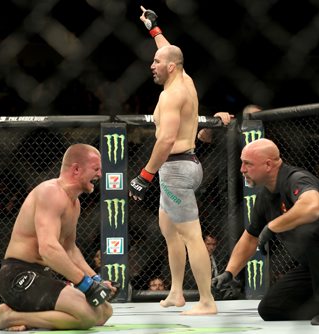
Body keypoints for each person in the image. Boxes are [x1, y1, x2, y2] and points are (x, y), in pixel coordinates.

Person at [212, 138, 319, 325]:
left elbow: (313, 207)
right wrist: (229, 273)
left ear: (268, 164)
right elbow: (249, 238)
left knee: (308, 228)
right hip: (318, 262)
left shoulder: (296, 178)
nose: (242, 169)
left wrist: (272, 226)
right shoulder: (264, 198)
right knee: (271, 308)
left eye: (248, 163)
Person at [128, 6, 217, 315]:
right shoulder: (185, 80)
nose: (152, 64)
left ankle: (206, 301)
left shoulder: (170, 96)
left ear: (171, 67)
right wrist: (154, 29)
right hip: (184, 165)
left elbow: (165, 140)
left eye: (156, 62)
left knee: (192, 235)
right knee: (169, 229)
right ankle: (177, 292)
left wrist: (144, 176)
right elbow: (169, 50)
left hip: (176, 169)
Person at [0, 144, 116, 331]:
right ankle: (10, 316)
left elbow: (70, 249)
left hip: (42, 277)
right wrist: (85, 284)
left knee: (104, 312)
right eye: (96, 169)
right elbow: (48, 249)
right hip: (18, 277)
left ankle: (26, 317)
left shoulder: (74, 204)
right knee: (86, 317)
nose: (100, 175)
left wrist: (95, 280)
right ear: (76, 169)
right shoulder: (50, 192)